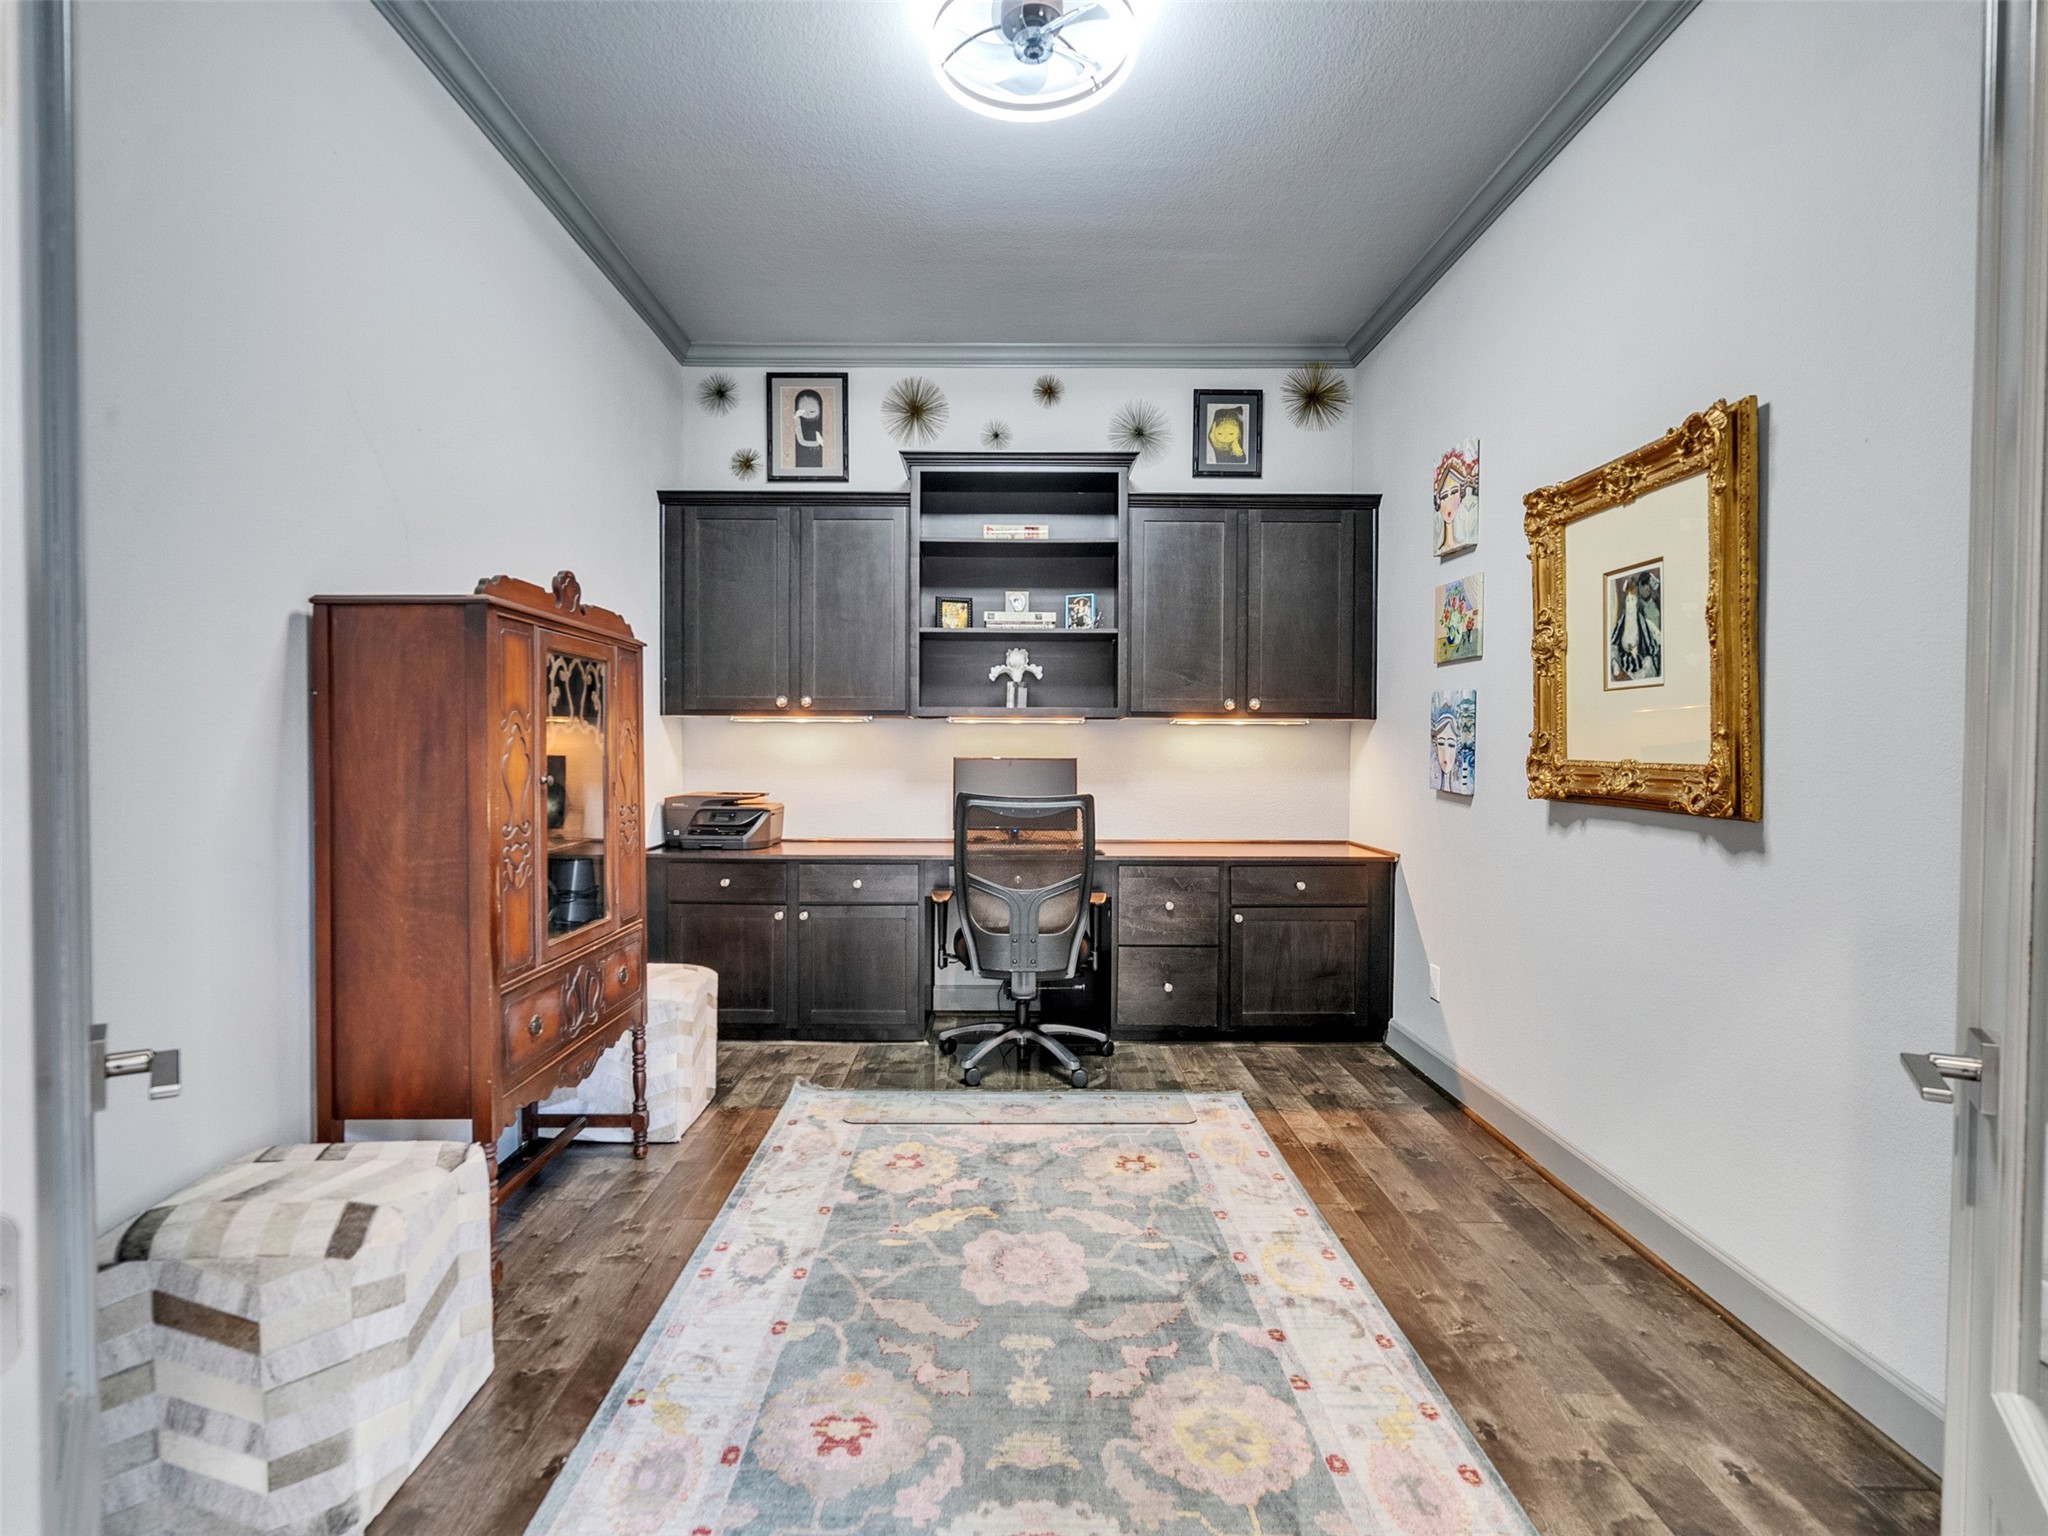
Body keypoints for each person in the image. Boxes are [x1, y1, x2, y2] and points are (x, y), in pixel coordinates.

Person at [1609, 568, 1662, 684]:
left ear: (1636, 601)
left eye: (1632, 600)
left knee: (1648, 662)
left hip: (1638, 659)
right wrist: (1623, 650)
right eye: (1628, 600)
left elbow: (1649, 645)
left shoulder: (1641, 620)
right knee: (1612, 651)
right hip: (1623, 659)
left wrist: (1637, 651)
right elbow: (1614, 640)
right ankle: (1618, 670)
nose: (1630, 604)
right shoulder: (1622, 620)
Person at [792, 388, 825, 470]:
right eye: (802, 411)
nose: (807, 415)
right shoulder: (796, 422)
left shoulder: (822, 425)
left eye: (812, 411)